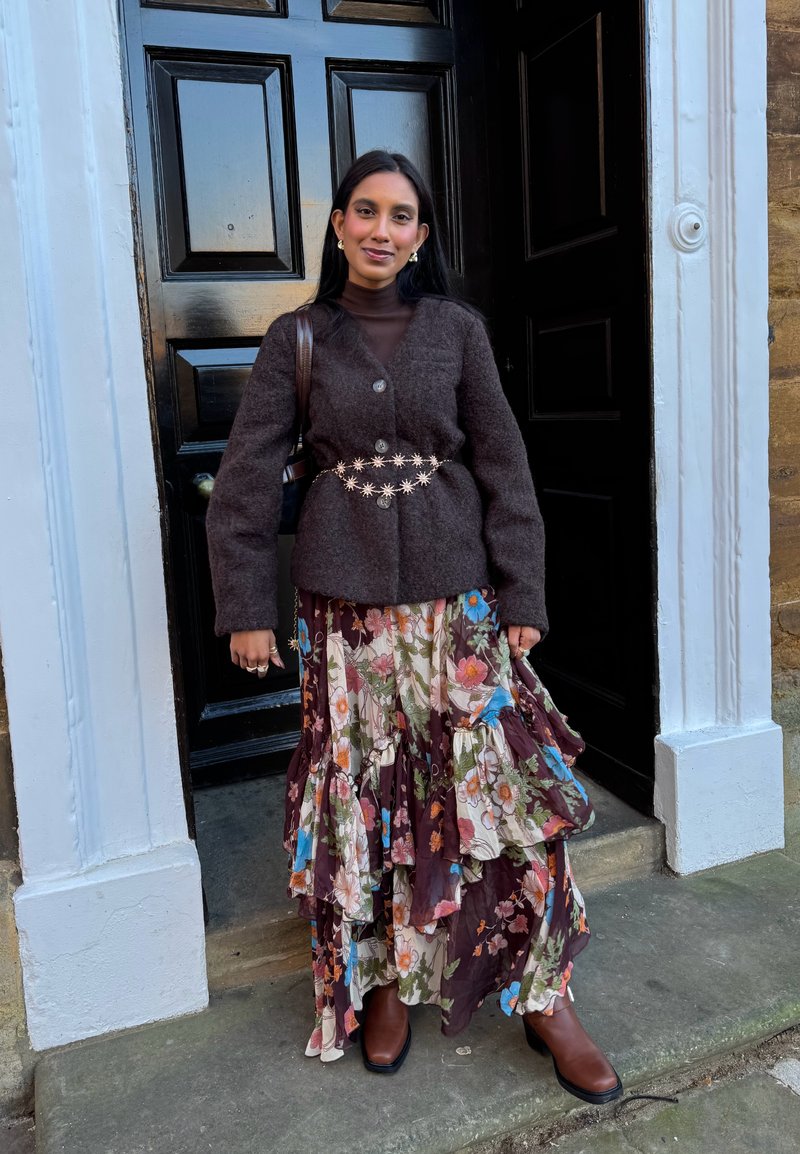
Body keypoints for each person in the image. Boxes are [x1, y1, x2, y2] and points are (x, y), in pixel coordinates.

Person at [206, 150, 622, 1104]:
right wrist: (243, 611)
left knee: (506, 801)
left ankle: (544, 994)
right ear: (340, 224)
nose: (382, 231)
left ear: (422, 236)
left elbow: (508, 469)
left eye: (402, 217)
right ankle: (386, 982)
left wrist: (522, 596)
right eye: (365, 212)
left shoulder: (457, 331)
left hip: (458, 613)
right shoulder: (296, 337)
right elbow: (242, 484)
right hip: (343, 628)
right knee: (369, 805)